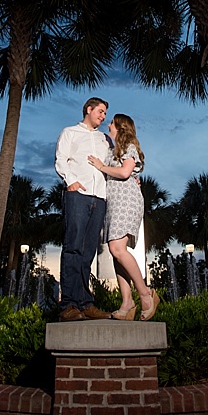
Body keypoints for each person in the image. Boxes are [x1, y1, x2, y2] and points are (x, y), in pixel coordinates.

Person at [88, 113, 159, 321]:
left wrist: (101, 166)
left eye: (111, 122)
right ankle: (127, 303)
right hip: (113, 203)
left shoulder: (129, 146)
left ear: (120, 127)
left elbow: (125, 172)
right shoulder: (113, 150)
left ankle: (146, 294)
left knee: (117, 249)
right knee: (116, 252)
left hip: (126, 201)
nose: (108, 124)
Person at [53, 97, 113, 322]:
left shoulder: (104, 139)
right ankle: (69, 304)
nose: (103, 116)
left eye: (105, 113)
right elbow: (61, 160)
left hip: (100, 197)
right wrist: (71, 181)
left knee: (89, 251)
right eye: (100, 111)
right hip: (78, 195)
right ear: (88, 109)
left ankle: (85, 303)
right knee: (73, 247)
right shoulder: (69, 132)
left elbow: (115, 163)